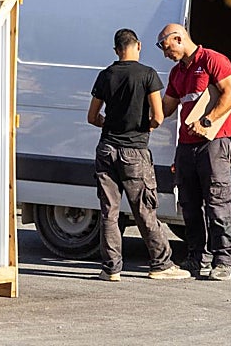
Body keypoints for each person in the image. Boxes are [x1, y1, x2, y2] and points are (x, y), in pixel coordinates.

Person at [87, 28, 191, 282]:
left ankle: (111, 269)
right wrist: (145, 127)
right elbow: (157, 115)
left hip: (106, 149)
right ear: (139, 46)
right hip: (134, 151)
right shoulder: (147, 75)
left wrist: (110, 124)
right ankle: (161, 264)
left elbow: (92, 117)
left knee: (109, 212)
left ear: (116, 50)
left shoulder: (105, 76)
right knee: (144, 209)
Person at [157, 23, 231, 282]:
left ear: (179, 39)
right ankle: (196, 257)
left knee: (217, 202)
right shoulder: (177, 72)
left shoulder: (213, 60)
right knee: (190, 205)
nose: (165, 53)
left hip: (214, 142)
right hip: (186, 146)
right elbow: (166, 108)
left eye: (167, 47)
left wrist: (207, 121)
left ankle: (224, 260)